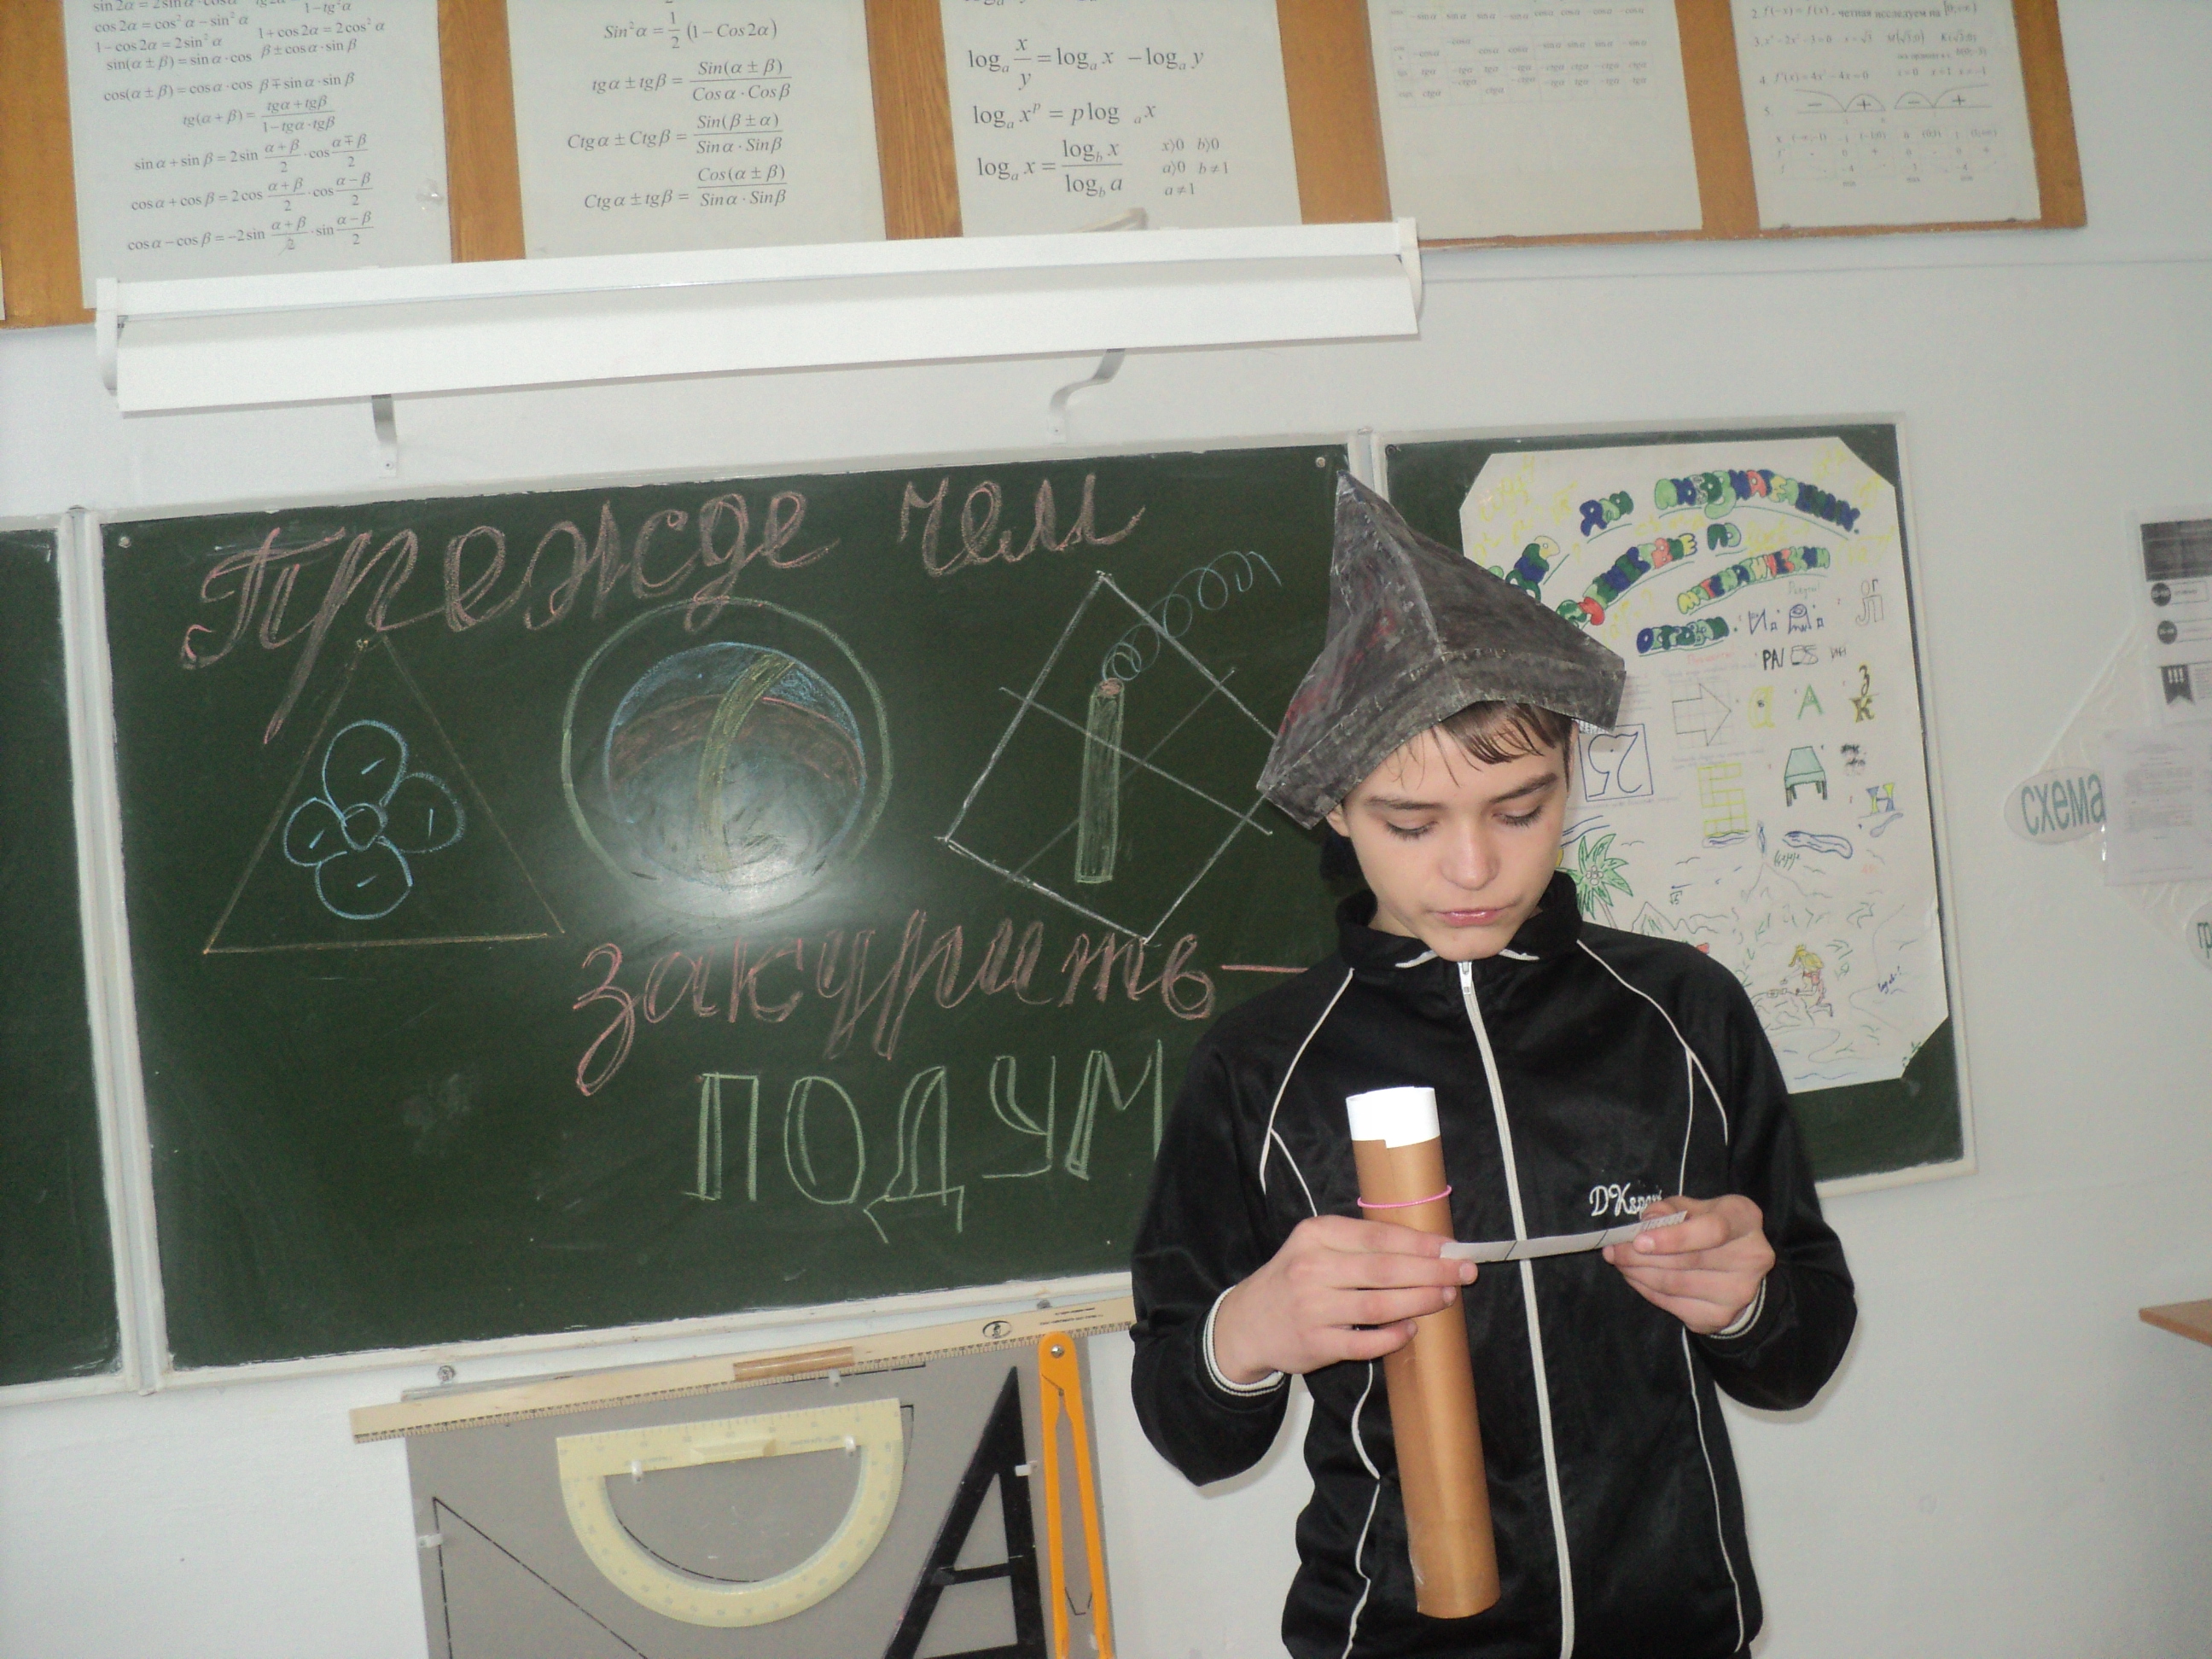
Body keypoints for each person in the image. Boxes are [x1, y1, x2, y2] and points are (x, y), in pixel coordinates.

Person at [1129, 477, 1855, 1659]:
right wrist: (1247, 1333)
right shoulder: (1259, 1068)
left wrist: (1752, 1300)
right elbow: (1193, 1429)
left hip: (1677, 1628)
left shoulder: (1682, 1012)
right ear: (1337, 811)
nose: (1472, 869)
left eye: (1519, 811)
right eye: (1411, 824)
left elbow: (1800, 1354)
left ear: (1569, 775)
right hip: (1395, 1635)